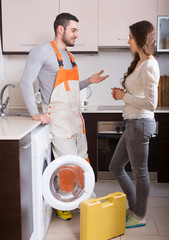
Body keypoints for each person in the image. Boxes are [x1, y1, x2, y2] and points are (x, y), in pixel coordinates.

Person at [20, 12, 109, 221]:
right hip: (58, 119)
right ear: (61, 29)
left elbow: (69, 87)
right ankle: (65, 201)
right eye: (74, 30)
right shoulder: (41, 52)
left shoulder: (69, 56)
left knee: (82, 160)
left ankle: (85, 201)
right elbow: (26, 82)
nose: (76, 35)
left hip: (75, 118)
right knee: (67, 164)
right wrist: (35, 113)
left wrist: (89, 81)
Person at [109, 21, 160, 228]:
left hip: (140, 123)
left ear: (140, 38)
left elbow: (151, 103)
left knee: (140, 172)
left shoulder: (149, 64)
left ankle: (140, 215)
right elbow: (136, 95)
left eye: (130, 37)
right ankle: (134, 208)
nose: (128, 40)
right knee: (115, 166)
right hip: (133, 122)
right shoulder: (139, 62)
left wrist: (124, 97)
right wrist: (123, 95)